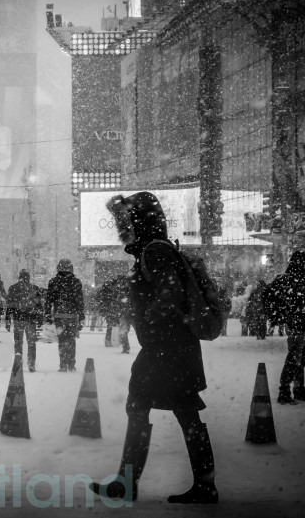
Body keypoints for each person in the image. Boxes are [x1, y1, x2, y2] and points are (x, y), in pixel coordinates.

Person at [92, 191, 218, 505]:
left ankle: (129, 483)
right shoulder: (156, 249)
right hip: (173, 349)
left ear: (140, 220)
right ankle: (201, 485)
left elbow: (170, 292)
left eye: (124, 219)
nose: (120, 226)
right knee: (181, 413)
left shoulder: (154, 251)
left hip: (166, 350)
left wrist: (150, 319)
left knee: (144, 408)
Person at [274, 250, 305, 404]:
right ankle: (284, 392)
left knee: (300, 359)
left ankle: (299, 390)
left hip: (304, 324)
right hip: (297, 324)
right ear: (300, 262)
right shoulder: (292, 279)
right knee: (294, 358)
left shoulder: (303, 278)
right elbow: (299, 298)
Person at [46, 259, 85, 372]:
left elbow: (49, 300)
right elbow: (79, 301)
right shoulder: (76, 282)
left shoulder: (53, 282)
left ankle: (63, 364)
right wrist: (81, 315)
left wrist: (48, 314)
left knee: (62, 339)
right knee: (71, 340)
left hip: (59, 316)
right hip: (72, 315)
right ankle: (71, 364)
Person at [5, 269, 42, 372]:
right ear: (28, 278)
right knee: (31, 343)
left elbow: (9, 305)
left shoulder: (13, 288)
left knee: (18, 342)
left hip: (18, 319)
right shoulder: (34, 288)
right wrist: (39, 318)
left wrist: (8, 319)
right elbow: (38, 305)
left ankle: (18, 363)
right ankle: (31, 364)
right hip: (30, 320)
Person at [112, 273, 134, 354]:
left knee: (123, 331)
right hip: (128, 313)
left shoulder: (123, 291)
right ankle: (126, 348)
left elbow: (119, 301)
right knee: (123, 331)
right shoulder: (126, 290)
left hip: (127, 313)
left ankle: (126, 348)